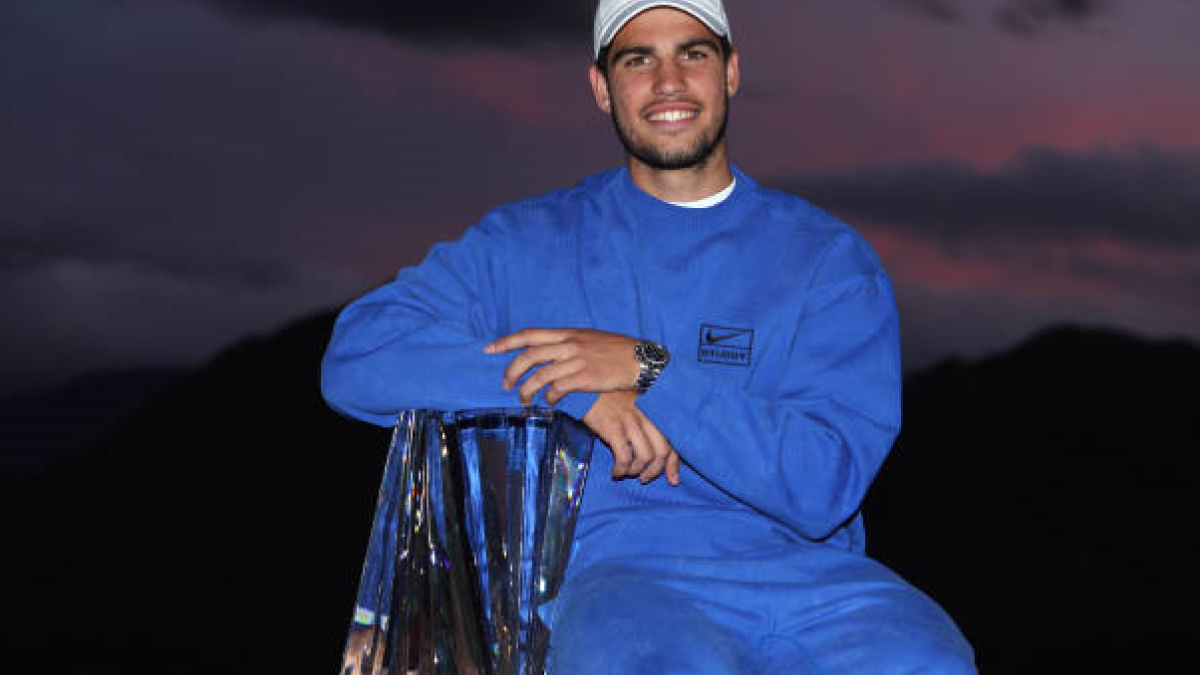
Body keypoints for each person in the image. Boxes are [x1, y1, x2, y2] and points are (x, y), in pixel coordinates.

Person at [321, 0, 977, 672]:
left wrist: (649, 369)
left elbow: (822, 486)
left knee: (929, 658)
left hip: (813, 584)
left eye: (692, 53)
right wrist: (569, 390)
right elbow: (361, 354)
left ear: (731, 73)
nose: (669, 81)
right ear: (603, 88)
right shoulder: (527, 244)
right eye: (639, 59)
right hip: (623, 583)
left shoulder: (826, 260)